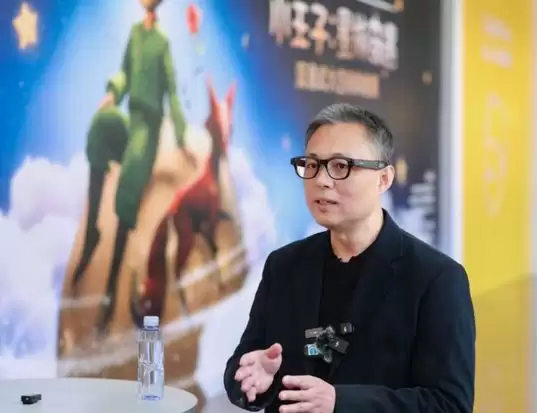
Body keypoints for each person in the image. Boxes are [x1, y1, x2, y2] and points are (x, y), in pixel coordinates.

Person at [224, 103, 475, 413]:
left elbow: (449, 404)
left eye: (341, 166)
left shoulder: (436, 279)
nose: (321, 180)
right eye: (312, 165)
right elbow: (243, 367)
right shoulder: (284, 266)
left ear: (383, 179)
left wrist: (340, 403)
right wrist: (253, 379)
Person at [71, 0, 192, 333]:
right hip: (131, 118)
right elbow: (124, 69)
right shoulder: (136, 33)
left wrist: (181, 135)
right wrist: (113, 92)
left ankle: (110, 290)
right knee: (102, 124)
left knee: (127, 185)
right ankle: (93, 233)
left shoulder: (162, 42)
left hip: (148, 130)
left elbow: (171, 90)